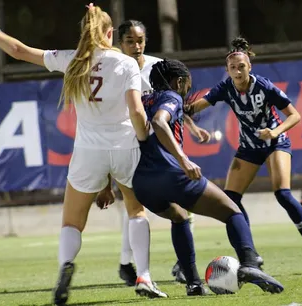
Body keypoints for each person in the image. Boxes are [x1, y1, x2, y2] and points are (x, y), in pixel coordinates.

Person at [0, 4, 168, 305]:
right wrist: (147, 143)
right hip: (126, 146)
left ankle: (65, 267)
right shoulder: (127, 64)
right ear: (111, 34)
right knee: (136, 212)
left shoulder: (72, 60)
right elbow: (137, 112)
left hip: (88, 151)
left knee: (72, 223)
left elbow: (19, 51)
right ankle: (145, 277)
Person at [132, 58, 285, 296]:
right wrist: (183, 160)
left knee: (179, 216)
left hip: (142, 183)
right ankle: (250, 264)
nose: (186, 90)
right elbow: (159, 122)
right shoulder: (171, 97)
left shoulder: (142, 100)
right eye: (186, 85)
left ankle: (193, 283)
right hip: (171, 173)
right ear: (179, 81)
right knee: (232, 211)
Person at [185, 37, 302, 274]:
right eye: (232, 68)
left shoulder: (264, 86)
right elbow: (192, 108)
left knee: (283, 194)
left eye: (241, 67)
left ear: (250, 67)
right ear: (227, 70)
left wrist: (275, 132)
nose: (237, 72)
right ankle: (250, 254)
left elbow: (295, 115)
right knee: (230, 200)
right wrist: (187, 117)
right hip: (249, 147)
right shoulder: (225, 88)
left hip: (275, 141)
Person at [111, 19, 209, 285]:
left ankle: (158, 264)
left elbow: (172, 100)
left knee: (175, 204)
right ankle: (130, 263)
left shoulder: (157, 67)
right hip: (127, 143)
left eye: (140, 40)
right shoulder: (114, 69)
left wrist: (191, 127)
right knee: (136, 206)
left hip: (157, 145)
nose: (136, 45)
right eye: (130, 41)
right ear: (120, 44)